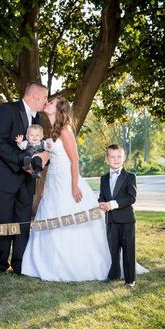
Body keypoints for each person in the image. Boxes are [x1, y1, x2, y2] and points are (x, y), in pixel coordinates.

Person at [21, 96, 113, 281]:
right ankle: (47, 264)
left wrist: (74, 186)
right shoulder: (52, 130)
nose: (48, 103)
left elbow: (74, 160)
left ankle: (74, 265)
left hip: (67, 182)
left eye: (52, 102)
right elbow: (52, 162)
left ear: (59, 109)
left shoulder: (65, 130)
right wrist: (45, 186)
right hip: (53, 182)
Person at [0, 82, 49, 275]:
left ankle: (19, 265)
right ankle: (1, 265)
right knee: (3, 222)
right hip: (4, 177)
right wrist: (25, 162)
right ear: (35, 95)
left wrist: (43, 160)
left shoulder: (38, 118)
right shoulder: (7, 109)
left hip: (26, 182)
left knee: (22, 223)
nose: (46, 101)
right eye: (45, 97)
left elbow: (39, 147)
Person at [98, 144, 139, 287]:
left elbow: (131, 198)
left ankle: (130, 279)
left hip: (127, 220)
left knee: (128, 250)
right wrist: (102, 203)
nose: (116, 160)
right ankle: (114, 274)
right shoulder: (103, 178)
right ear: (107, 159)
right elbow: (102, 195)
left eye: (119, 157)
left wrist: (113, 204)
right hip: (111, 220)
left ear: (124, 158)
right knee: (113, 249)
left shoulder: (130, 177)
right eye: (112, 157)